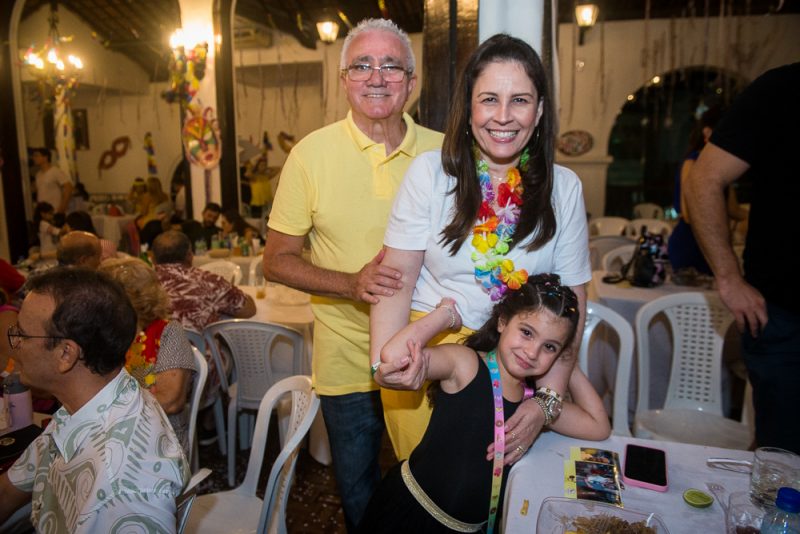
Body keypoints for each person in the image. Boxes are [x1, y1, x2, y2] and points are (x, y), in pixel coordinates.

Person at [370, 34, 590, 462]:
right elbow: (395, 280)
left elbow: (574, 302)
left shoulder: (564, 188)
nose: (503, 117)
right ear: (468, 108)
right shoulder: (429, 175)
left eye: (520, 100)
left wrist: (545, 401)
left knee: (499, 504)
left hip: (519, 360)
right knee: (429, 502)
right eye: (489, 99)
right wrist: (387, 365)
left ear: (540, 110)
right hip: (430, 355)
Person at [263, 18, 444, 531]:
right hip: (345, 354)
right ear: (343, 79)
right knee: (357, 485)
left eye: (391, 66)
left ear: (411, 81)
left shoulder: (447, 152)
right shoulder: (310, 155)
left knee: (436, 478)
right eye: (361, 65)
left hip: (432, 349)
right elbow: (276, 260)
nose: (376, 77)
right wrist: (350, 284)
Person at [359, 275, 609, 532]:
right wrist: (445, 315)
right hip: (410, 517)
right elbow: (394, 356)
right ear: (502, 321)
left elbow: (598, 425)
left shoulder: (535, 406)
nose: (532, 352)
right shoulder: (466, 365)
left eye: (549, 346)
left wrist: (566, 360)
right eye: (526, 332)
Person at [0, 268, 188, 532]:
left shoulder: (123, 488)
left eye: (22, 335)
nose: (15, 345)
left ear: (66, 354)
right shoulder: (87, 402)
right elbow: (8, 492)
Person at [686, 62, 800, 454]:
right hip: (784, 313)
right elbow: (704, 181)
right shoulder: (783, 89)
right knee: (782, 461)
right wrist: (729, 277)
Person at [98, 257, 196, 454]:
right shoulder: (99, 332)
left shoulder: (168, 332)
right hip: (104, 435)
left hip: (156, 440)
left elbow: (170, 401)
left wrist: (109, 416)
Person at [668, 106, 748, 275]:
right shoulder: (692, 163)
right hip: (691, 243)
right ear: (707, 132)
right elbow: (689, 212)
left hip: (716, 244)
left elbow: (733, 209)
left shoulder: (724, 166)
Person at [152, 230, 256, 331]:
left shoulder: (142, 283)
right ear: (190, 255)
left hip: (153, 348)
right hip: (198, 348)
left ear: (153, 259)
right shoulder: (208, 281)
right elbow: (248, 310)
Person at [31, 147, 72, 217]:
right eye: (34, 156)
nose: (34, 158)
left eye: (37, 155)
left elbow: (69, 188)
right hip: (42, 213)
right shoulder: (38, 174)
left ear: (45, 157)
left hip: (54, 211)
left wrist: (62, 208)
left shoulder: (55, 171)